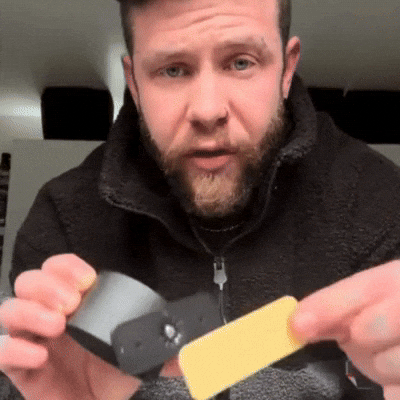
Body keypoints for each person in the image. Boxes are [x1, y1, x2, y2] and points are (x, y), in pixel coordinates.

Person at [1, 0, 400, 398]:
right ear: (134, 84)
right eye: (173, 70)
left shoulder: (379, 202)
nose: (208, 111)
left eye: (241, 63)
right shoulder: (63, 222)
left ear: (286, 69)